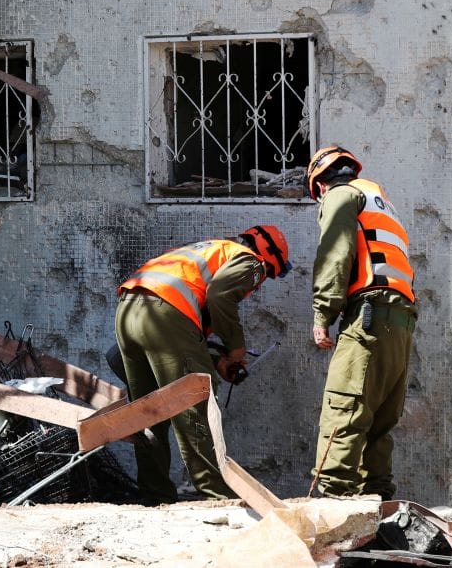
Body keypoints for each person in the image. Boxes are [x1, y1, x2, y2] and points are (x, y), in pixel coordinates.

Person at [113, 226, 291, 504]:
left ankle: (154, 496)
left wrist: (215, 361)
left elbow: (184, 336)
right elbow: (220, 296)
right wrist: (235, 348)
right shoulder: (250, 261)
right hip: (164, 315)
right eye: (268, 275)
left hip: (129, 309)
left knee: (147, 412)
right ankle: (217, 495)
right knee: (195, 404)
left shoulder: (204, 251)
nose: (258, 285)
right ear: (269, 258)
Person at [305, 145, 416, 499]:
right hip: (399, 322)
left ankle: (333, 508)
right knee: (378, 426)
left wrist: (323, 314)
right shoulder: (381, 203)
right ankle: (380, 512)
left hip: (368, 319)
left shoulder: (340, 195)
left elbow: (335, 253)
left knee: (344, 411)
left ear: (321, 185)